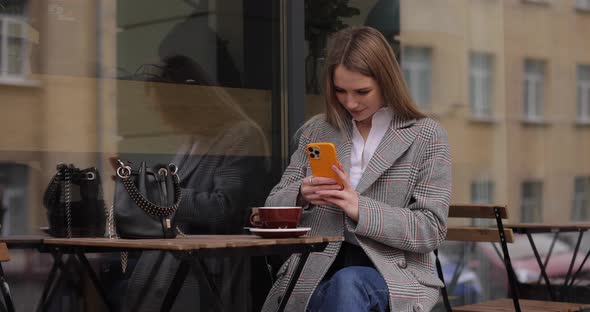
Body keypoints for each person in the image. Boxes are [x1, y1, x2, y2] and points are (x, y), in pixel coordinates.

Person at [261, 26, 451, 312]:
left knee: (348, 284)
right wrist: (300, 193)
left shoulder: (425, 135)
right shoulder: (317, 130)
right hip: (316, 268)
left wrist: (359, 207)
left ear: (386, 81)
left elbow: (430, 230)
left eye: (362, 91)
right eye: (340, 91)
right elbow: (272, 205)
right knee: (331, 290)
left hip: (392, 271)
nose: (350, 102)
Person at [119, 55, 271, 312]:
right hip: (179, 261)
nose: (163, 118)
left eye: (166, 109)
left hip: (209, 267)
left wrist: (162, 195)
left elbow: (225, 209)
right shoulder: (193, 139)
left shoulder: (241, 135)